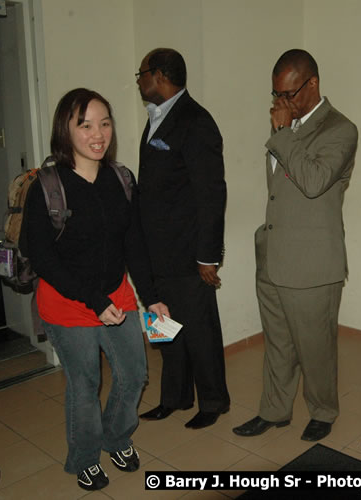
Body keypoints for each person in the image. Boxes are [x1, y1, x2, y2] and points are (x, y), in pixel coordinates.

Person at [24, 88, 169, 491]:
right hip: (68, 302)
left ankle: (116, 437)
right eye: (85, 124)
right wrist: (94, 301)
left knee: (134, 374)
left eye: (104, 123)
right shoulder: (48, 186)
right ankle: (85, 456)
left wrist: (151, 294)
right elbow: (44, 258)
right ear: (65, 130)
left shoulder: (121, 179)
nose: (98, 133)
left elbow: (133, 243)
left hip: (116, 295)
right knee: (85, 384)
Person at [232, 49, 358, 442]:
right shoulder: (285, 127)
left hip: (313, 263)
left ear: (313, 84)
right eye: (275, 94)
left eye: (288, 93)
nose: (279, 103)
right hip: (273, 255)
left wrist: (283, 134)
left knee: (315, 347)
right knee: (278, 342)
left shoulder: (340, 129)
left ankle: (323, 410)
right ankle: (275, 410)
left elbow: (314, 180)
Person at [135, 48, 230, 429]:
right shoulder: (157, 118)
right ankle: (174, 397)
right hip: (156, 252)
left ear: (158, 75)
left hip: (189, 253)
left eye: (141, 73)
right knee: (164, 328)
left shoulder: (196, 120)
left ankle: (213, 400)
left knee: (199, 330)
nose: (138, 80)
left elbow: (212, 193)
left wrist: (208, 255)